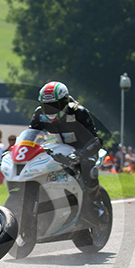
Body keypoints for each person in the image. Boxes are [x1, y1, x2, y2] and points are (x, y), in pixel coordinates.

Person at [29, 81, 105, 225]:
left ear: (64, 102)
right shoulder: (40, 114)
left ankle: (96, 203)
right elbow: (30, 134)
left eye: (54, 105)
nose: (50, 110)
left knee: (87, 167)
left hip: (83, 150)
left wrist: (80, 154)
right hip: (58, 148)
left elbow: (95, 140)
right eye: (47, 106)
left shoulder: (79, 112)